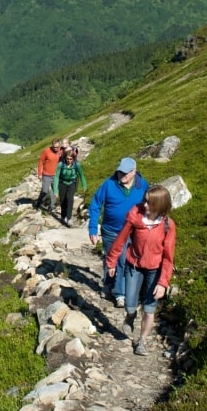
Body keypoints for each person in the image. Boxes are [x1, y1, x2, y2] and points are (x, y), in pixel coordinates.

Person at [106, 185, 175, 356]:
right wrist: (112, 262)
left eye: (149, 202)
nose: (144, 204)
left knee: (149, 308)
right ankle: (130, 315)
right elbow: (121, 239)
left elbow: (168, 256)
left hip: (155, 270)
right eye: (144, 200)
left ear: (159, 205)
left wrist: (163, 283)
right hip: (134, 265)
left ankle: (142, 341)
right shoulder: (135, 216)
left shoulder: (167, 225)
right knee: (130, 303)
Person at [87, 157, 149, 307]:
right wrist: (93, 228)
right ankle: (110, 285)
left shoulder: (143, 185)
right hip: (111, 231)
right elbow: (95, 204)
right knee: (111, 259)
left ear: (134, 171)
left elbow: (149, 204)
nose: (122, 175)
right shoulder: (109, 184)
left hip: (132, 231)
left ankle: (119, 293)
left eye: (126, 173)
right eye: (120, 172)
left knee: (123, 260)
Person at [51, 149, 87, 226]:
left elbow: (81, 175)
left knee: (70, 199)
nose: (69, 160)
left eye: (71, 159)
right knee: (63, 200)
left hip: (72, 183)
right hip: (62, 183)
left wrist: (84, 185)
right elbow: (56, 177)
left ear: (73, 158)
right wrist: (55, 190)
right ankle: (63, 216)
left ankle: (69, 218)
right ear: (65, 158)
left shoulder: (77, 165)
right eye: (67, 158)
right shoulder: (61, 164)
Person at [35, 139, 62, 211]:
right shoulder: (46, 151)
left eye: (57, 147)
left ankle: (51, 206)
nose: (55, 149)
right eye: (54, 147)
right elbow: (41, 162)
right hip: (46, 174)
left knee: (54, 191)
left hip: (55, 175)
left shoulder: (61, 151)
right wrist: (39, 174)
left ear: (59, 146)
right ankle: (39, 204)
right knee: (45, 190)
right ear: (52, 145)